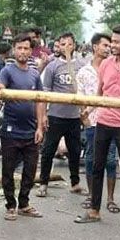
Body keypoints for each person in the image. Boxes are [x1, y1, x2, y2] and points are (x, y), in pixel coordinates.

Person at [76, 25, 120, 231]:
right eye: (111, 42)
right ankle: (94, 211)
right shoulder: (106, 64)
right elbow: (100, 94)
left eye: (116, 42)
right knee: (97, 166)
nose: (112, 46)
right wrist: (88, 111)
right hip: (103, 122)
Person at [0, 34, 46, 220]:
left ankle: (24, 203)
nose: (22, 52)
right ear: (14, 49)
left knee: (30, 170)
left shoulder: (34, 74)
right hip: (10, 130)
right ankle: (10, 205)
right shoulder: (7, 71)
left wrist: (40, 126)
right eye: (19, 48)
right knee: (8, 169)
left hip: (31, 130)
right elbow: (0, 86)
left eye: (26, 48)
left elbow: (40, 101)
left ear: (31, 51)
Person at [37, 32, 86, 197]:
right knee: (48, 150)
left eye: (69, 44)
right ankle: (43, 183)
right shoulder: (53, 66)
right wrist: (43, 116)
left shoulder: (81, 66)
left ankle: (75, 182)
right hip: (56, 116)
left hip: (74, 117)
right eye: (62, 44)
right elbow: (45, 94)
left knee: (74, 151)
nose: (66, 47)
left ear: (74, 46)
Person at [77, 33, 119, 215]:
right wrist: (85, 118)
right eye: (104, 45)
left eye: (110, 44)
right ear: (95, 47)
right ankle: (92, 195)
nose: (108, 48)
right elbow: (80, 96)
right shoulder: (83, 72)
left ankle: (110, 199)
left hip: (111, 120)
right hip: (91, 121)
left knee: (110, 160)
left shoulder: (114, 69)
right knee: (90, 159)